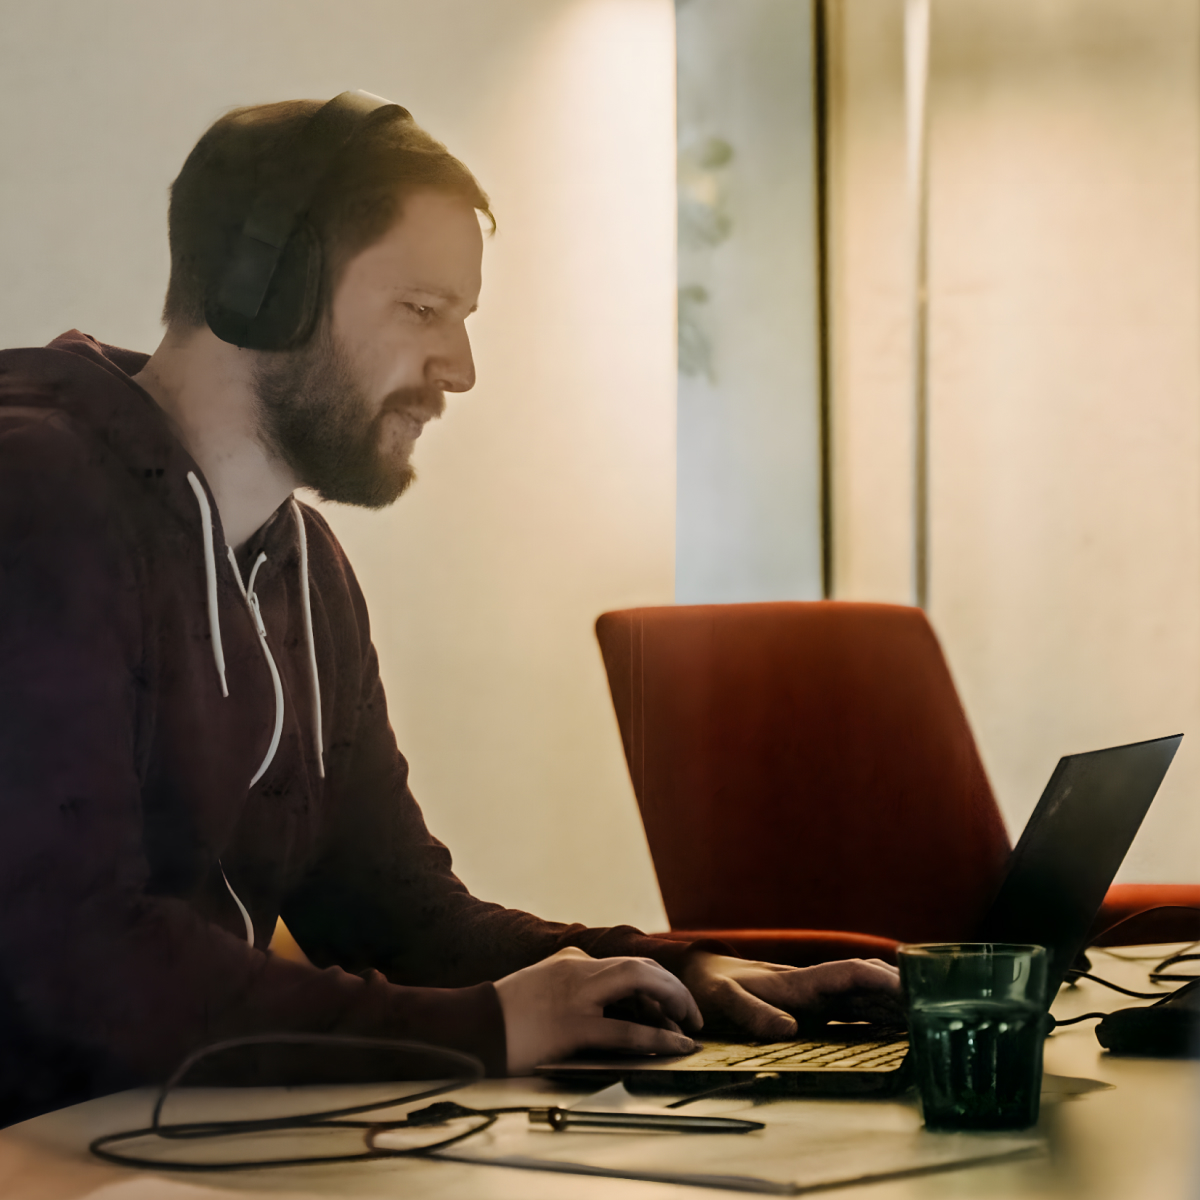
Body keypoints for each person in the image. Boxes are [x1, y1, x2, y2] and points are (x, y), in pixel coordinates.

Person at [0, 95, 898, 1126]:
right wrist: (486, 1029)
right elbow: (70, 955)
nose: (460, 372)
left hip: (154, 1138)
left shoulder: (304, 566)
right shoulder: (38, 497)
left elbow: (395, 908)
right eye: (423, 310)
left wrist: (671, 972)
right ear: (264, 293)